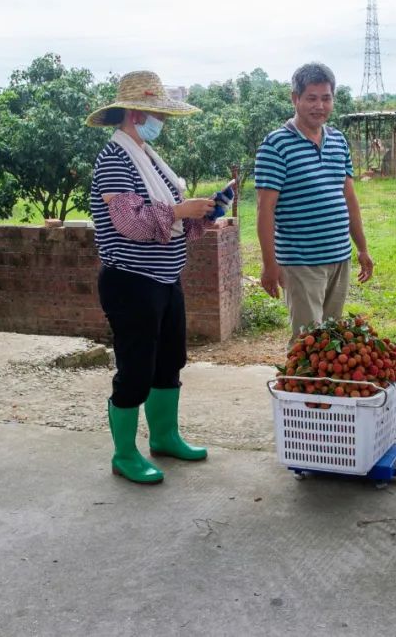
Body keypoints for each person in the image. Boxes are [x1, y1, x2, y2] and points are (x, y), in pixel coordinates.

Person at [86, 71, 229, 485]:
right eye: (156, 114)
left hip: (165, 278)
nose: (160, 122)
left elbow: (170, 218)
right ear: (134, 113)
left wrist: (204, 213)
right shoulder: (115, 159)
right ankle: (125, 453)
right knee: (136, 368)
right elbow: (129, 223)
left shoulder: (147, 156)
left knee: (170, 360)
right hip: (130, 281)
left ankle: (164, 436)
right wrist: (184, 212)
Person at [254, 62, 373, 342]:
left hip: (339, 258)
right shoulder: (276, 146)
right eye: (311, 98)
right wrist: (269, 265)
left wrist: (362, 248)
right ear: (295, 98)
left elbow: (349, 198)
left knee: (331, 342)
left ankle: (321, 387)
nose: (319, 105)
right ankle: (297, 386)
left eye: (326, 98)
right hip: (301, 264)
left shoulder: (338, 141)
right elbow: (265, 210)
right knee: (307, 343)